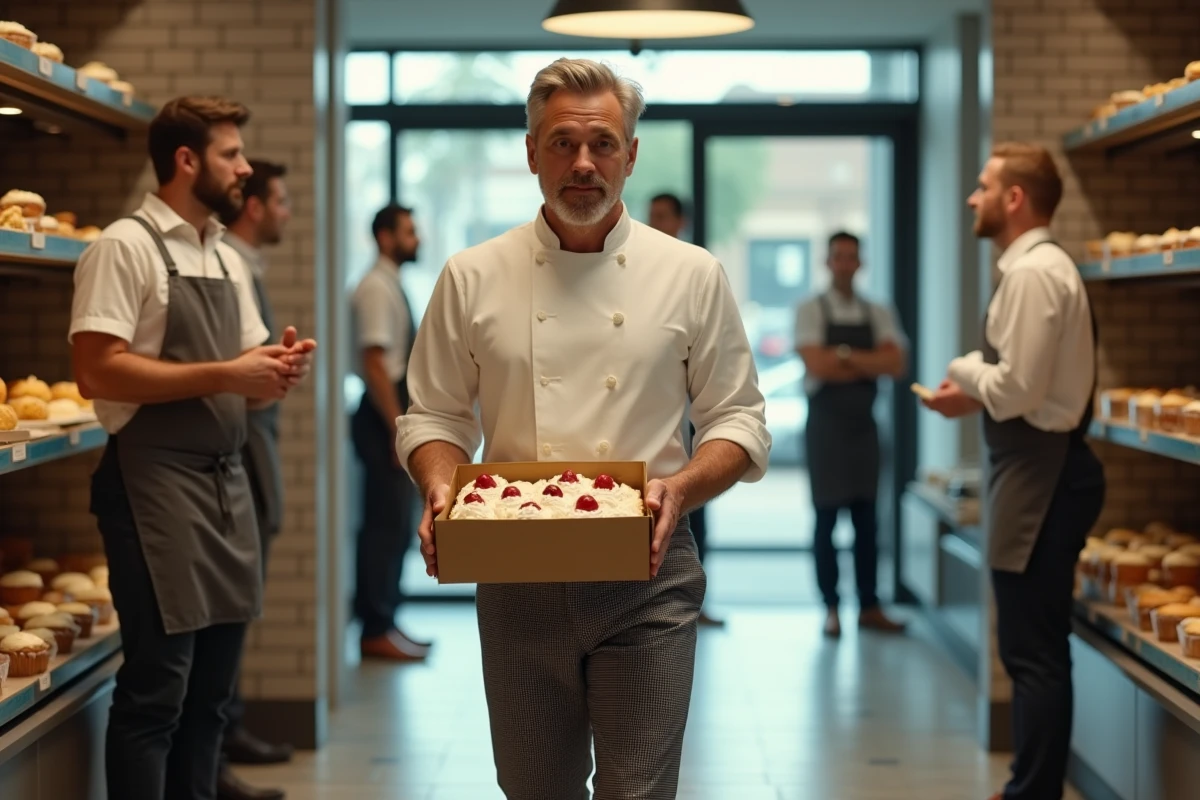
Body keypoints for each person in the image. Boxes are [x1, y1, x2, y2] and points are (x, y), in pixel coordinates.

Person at [397, 58, 770, 799]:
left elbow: (738, 417)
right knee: (536, 787)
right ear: (531, 151)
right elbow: (434, 414)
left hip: (648, 567)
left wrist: (680, 489)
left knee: (639, 792)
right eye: (562, 143)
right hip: (515, 569)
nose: (583, 164)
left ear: (631, 154)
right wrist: (441, 487)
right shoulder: (472, 275)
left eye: (602, 144)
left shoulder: (692, 273)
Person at [69, 96, 316, 800]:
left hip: (225, 489)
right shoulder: (124, 246)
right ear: (186, 161)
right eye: (230, 155)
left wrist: (274, 375)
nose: (244, 168)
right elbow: (96, 371)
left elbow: (245, 382)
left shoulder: (223, 255)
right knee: (156, 693)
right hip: (152, 488)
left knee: (210, 698)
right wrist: (229, 374)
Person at [922, 142, 1105, 800]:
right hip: (1043, 467)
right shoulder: (1042, 268)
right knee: (1035, 646)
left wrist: (965, 368)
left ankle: (1033, 791)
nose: (974, 198)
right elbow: (1029, 385)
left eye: (984, 186)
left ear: (1015, 198)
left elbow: (1019, 388)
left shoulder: (1031, 274)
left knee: (1033, 651)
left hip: (1042, 475)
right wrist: (976, 392)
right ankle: (1030, 783)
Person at [217, 159, 296, 800]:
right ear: (253, 206)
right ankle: (219, 749)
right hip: (237, 451)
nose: (287, 211)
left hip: (253, 446)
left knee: (241, 600)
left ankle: (228, 735)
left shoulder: (246, 265)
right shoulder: (229, 267)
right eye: (281, 200)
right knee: (231, 603)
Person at [794, 232, 908, 638]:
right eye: (838, 257)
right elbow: (816, 364)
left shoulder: (877, 309)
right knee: (825, 521)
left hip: (865, 430)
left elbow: (896, 363)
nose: (844, 264)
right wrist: (867, 361)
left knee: (867, 522)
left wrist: (841, 355)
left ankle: (869, 606)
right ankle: (831, 607)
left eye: (851, 257)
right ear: (828, 262)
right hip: (825, 430)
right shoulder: (810, 308)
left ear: (861, 263)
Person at [349, 203, 431, 662]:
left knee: (396, 525)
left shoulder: (389, 283)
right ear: (385, 237)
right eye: (408, 232)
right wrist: (397, 427)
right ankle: (375, 628)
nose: (416, 239)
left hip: (389, 414)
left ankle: (388, 622)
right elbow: (376, 363)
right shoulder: (376, 288)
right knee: (384, 525)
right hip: (382, 416)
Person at [647, 191, 723, 627]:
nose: (654, 223)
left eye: (662, 216)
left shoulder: (697, 274)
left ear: (681, 222)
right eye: (651, 215)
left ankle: (696, 599)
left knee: (690, 518)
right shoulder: (636, 274)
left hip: (687, 428)